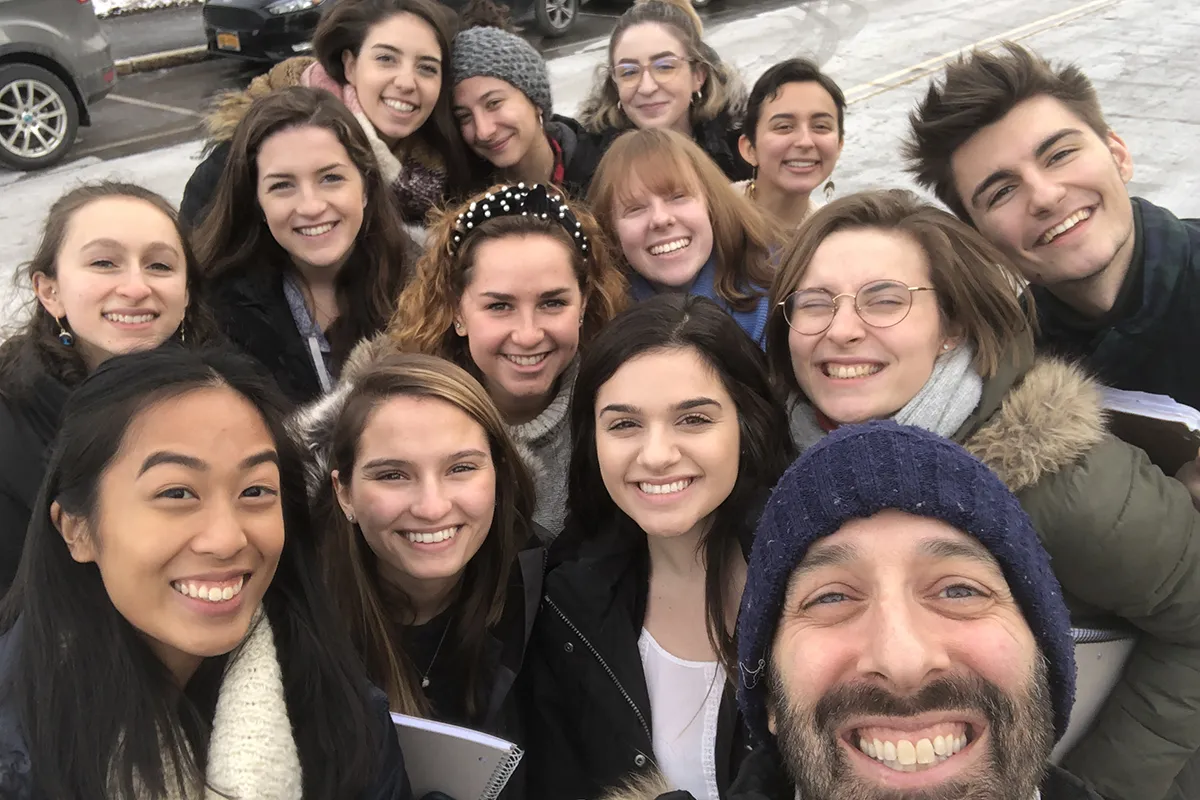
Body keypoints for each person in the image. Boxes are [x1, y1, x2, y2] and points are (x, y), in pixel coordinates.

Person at [765, 188, 1200, 800]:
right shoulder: (788, 455)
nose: (841, 330)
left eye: (884, 299)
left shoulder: (1061, 481)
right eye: (814, 304)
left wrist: (1091, 787)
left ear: (952, 326)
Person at [0, 347, 411, 800]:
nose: (227, 539)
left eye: (255, 491)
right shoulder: (17, 754)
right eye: (177, 493)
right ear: (76, 530)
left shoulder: (345, 722)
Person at [524, 295, 795, 800]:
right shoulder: (567, 606)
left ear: (748, 425)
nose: (656, 455)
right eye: (624, 424)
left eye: (693, 419)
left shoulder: (814, 585)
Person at [904, 42, 1200, 411]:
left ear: (1118, 155)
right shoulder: (1001, 365)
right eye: (1002, 192)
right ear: (980, 239)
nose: (1045, 196)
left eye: (1060, 155)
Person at [297, 352, 540, 791]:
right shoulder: (292, 621)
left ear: (498, 475)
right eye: (393, 475)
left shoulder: (548, 597)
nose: (432, 507)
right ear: (344, 493)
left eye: (460, 468)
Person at [0, 181, 215, 595]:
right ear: (50, 291)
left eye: (159, 266)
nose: (136, 288)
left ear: (186, 293)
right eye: (104, 263)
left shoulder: (221, 397)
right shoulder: (12, 426)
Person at [387, 182, 627, 536]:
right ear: (457, 311)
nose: (528, 335)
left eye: (553, 303)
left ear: (583, 304)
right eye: (499, 306)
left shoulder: (626, 413)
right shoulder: (392, 420)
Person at [194, 87, 413, 405]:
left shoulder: (427, 291)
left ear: (365, 188)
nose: (311, 206)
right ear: (257, 202)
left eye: (331, 178)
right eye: (282, 185)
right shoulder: (212, 316)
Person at [180, 0, 472, 235]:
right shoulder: (244, 161)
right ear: (350, 65)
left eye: (427, 68)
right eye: (386, 59)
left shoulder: (445, 173)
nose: (407, 82)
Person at [589, 128, 776, 346]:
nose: (660, 219)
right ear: (610, 230)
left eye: (678, 197)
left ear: (712, 204)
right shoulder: (594, 320)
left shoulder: (779, 296)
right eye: (635, 209)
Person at [577, 0, 751, 181]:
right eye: (629, 72)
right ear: (615, 84)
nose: (647, 87)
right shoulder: (589, 169)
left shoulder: (744, 152)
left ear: (698, 76)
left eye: (665, 67)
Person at [451, 7, 605, 196]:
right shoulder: (459, 194)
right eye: (465, 116)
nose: (483, 132)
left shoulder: (603, 177)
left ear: (536, 101)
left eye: (494, 103)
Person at [736, 58, 845, 228]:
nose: (805, 142)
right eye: (784, 127)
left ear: (839, 145)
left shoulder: (829, 238)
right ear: (749, 149)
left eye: (821, 126)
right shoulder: (710, 215)